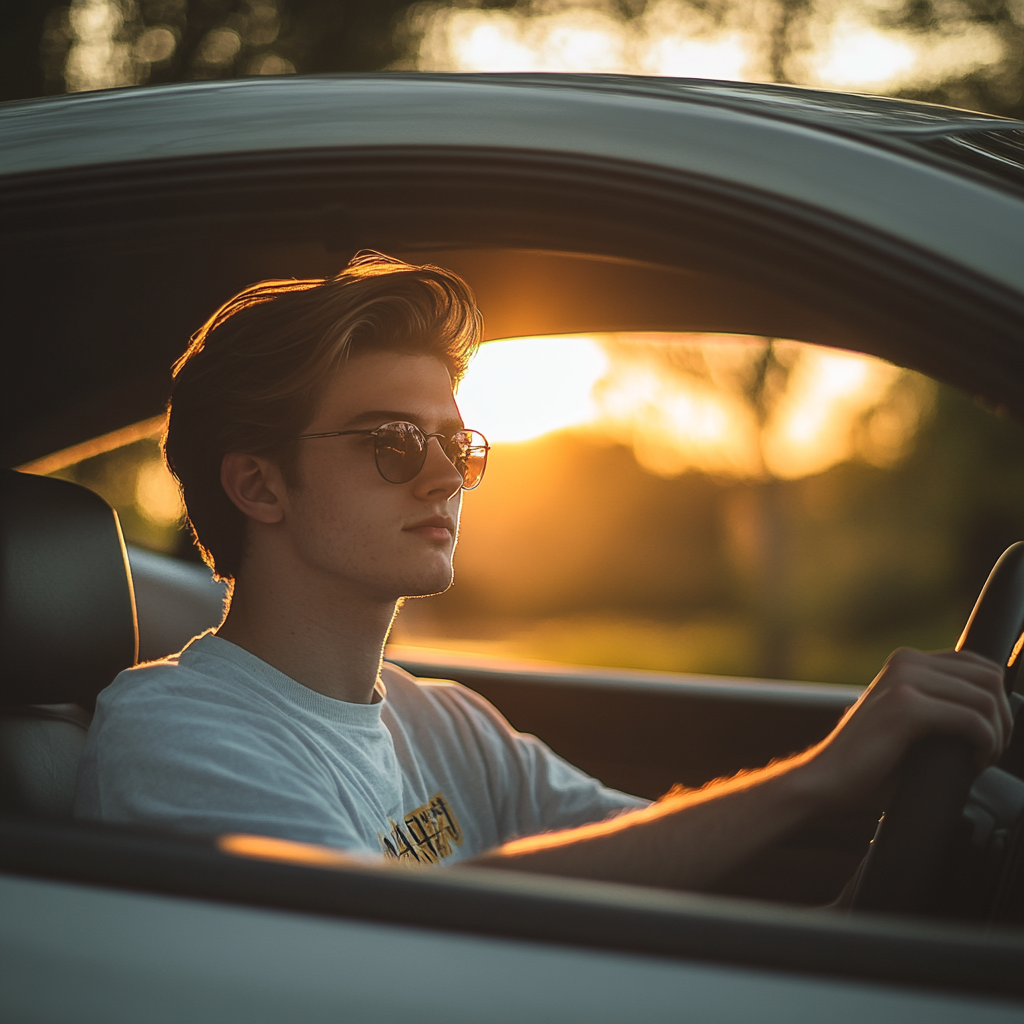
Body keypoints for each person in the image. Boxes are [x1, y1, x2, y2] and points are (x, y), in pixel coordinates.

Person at [74, 252, 1012, 890]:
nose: (446, 475)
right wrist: (823, 775)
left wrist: (876, 818)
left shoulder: (444, 722)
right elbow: (373, 949)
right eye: (395, 444)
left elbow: (647, 850)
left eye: (459, 445)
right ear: (259, 485)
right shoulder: (174, 729)